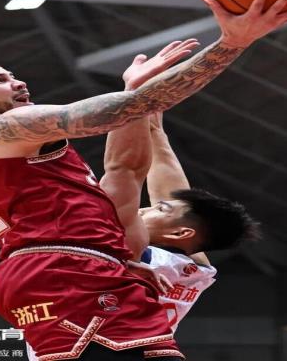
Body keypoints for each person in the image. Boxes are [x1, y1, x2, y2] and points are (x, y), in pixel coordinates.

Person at [0, 0, 287, 361]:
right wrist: (232, 43)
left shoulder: (27, 156)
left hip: (64, 269)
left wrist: (135, 92)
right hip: (63, 270)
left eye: (11, 74)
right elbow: (117, 112)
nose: (17, 82)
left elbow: (126, 168)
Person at [100, 110, 261, 335]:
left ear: (180, 234)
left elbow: (123, 169)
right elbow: (174, 199)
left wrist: (133, 106)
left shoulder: (134, 249)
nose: (143, 209)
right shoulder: (198, 268)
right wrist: (155, 130)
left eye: (159, 209)